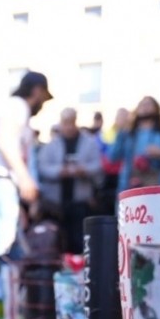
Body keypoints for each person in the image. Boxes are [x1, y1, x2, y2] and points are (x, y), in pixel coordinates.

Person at [0, 71, 52, 259]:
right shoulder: (17, 106)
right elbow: (5, 141)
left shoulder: (14, 108)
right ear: (37, 91)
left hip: (1, 185)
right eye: (44, 96)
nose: (43, 103)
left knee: (12, 250)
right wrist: (25, 179)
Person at [37, 107, 102, 254]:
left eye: (71, 122)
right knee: (58, 240)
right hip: (56, 204)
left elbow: (97, 166)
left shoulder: (89, 143)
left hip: (80, 202)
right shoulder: (51, 145)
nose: (68, 126)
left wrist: (83, 170)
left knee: (79, 240)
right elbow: (43, 167)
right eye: (65, 122)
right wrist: (60, 171)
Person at [107, 95, 160, 196]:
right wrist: (120, 130)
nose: (145, 106)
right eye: (142, 104)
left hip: (156, 187)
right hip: (129, 187)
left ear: (156, 109)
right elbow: (112, 157)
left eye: (149, 104)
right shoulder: (127, 133)